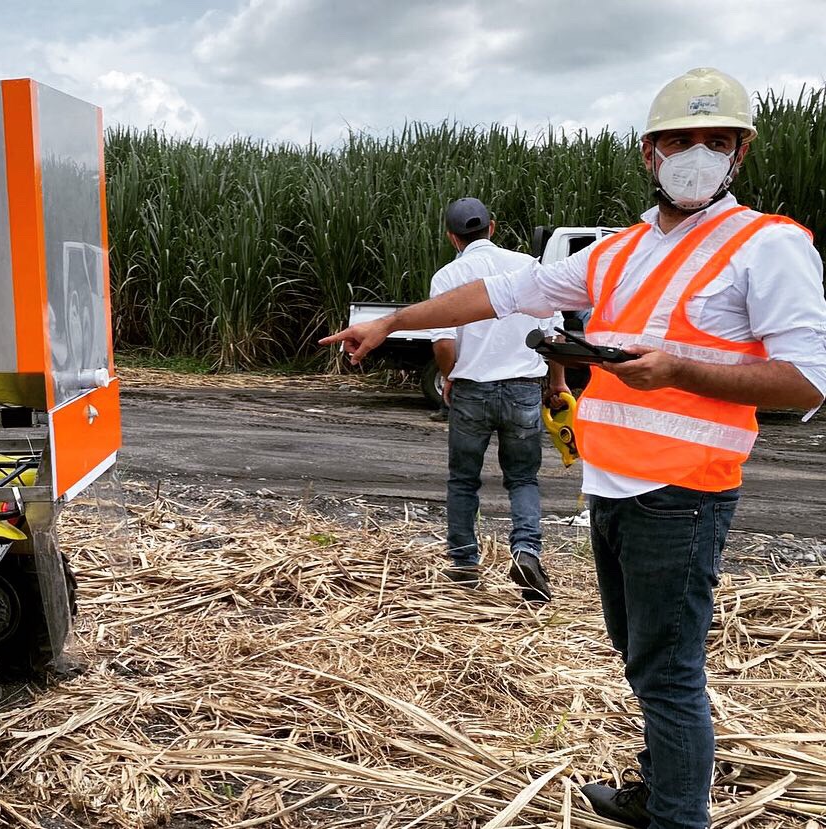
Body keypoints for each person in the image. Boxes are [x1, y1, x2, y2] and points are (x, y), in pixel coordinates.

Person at [319, 67, 826, 829]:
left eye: (716, 140)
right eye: (679, 140)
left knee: (670, 673)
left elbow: (807, 379)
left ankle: (677, 815)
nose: (697, 155)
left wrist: (680, 370)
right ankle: (657, 788)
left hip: (685, 493)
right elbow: (498, 295)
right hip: (612, 486)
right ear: (649, 152)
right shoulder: (619, 251)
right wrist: (393, 321)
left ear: (741, 153)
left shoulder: (767, 246)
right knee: (641, 656)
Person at [428, 197, 569, 602]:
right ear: (492, 227)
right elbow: (556, 336)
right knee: (523, 478)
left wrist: (449, 376)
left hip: (472, 390)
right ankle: (526, 552)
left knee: (463, 479)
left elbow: (443, 343)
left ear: (452, 237)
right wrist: (558, 383)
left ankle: (464, 563)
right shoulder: (528, 268)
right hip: (523, 388)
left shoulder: (447, 276)